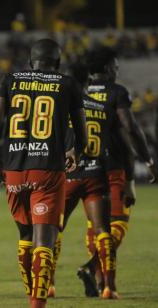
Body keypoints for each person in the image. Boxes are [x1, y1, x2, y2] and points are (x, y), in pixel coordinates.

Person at [0, 38, 87, 308]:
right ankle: (37, 302)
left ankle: (31, 289)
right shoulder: (67, 84)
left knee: (25, 236)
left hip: (14, 170)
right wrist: (76, 151)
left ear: (31, 62)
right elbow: (81, 129)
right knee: (45, 238)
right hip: (47, 170)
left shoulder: (10, 79)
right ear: (57, 62)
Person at [76, 47, 155, 299]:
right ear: (109, 68)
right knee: (116, 223)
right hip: (113, 166)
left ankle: (102, 283)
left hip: (85, 167)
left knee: (95, 227)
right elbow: (130, 128)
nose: (117, 71)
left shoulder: (79, 92)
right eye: (116, 67)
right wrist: (148, 159)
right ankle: (93, 269)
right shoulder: (117, 92)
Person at [47, 63, 115, 298]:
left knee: (53, 230)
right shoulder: (101, 106)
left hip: (68, 175)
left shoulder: (62, 107)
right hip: (96, 173)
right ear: (87, 82)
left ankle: (49, 284)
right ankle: (109, 287)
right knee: (102, 231)